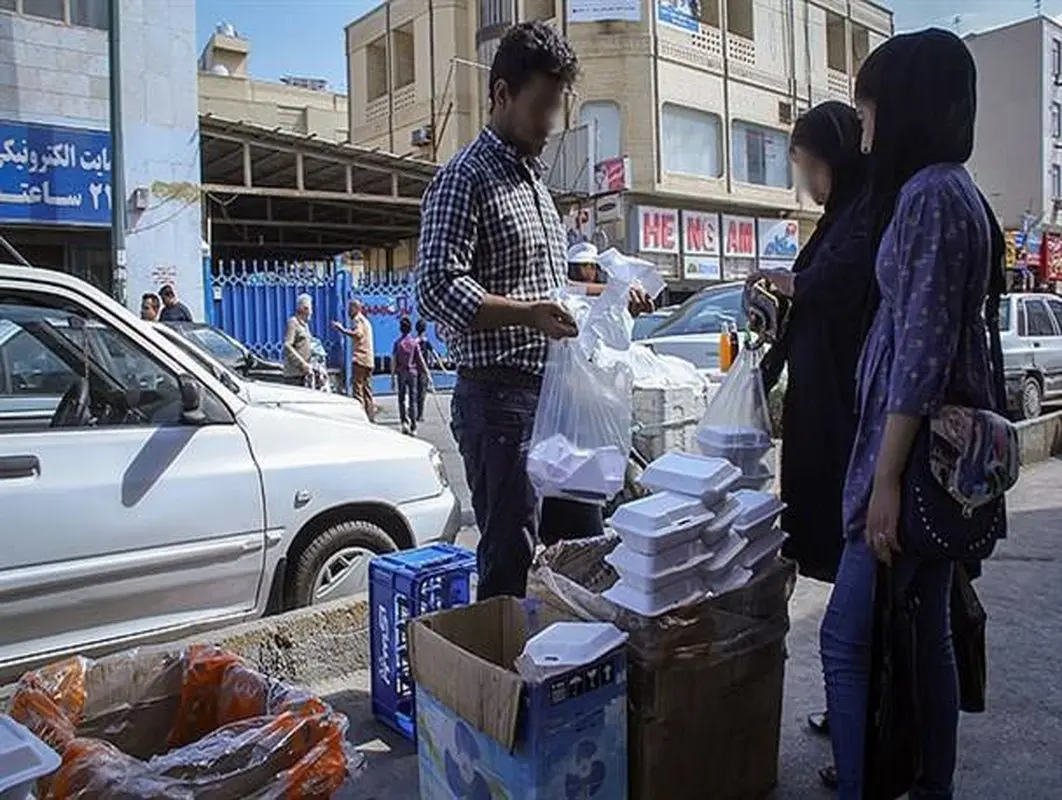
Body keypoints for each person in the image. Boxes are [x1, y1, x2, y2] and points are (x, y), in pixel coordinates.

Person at [819, 29, 1003, 799]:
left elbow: (921, 353)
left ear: (902, 110)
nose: (861, 132)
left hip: (911, 462)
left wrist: (885, 480)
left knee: (845, 640)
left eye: (866, 113)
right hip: (934, 462)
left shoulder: (929, 197)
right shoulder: (954, 191)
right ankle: (932, 788)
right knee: (925, 632)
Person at [747, 101, 875, 738]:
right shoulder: (838, 218)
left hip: (853, 423)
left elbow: (843, 282)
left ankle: (865, 727)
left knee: (854, 604)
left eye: (808, 166)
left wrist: (789, 284)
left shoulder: (870, 212)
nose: (805, 182)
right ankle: (853, 714)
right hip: (822, 414)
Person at [333, 299, 376, 422]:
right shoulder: (366, 321)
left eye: (350, 308)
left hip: (360, 359)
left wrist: (342, 329)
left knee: (358, 391)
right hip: (368, 360)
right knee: (368, 390)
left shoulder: (358, 320)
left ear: (356, 309)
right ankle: (371, 417)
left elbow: (358, 334)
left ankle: (361, 418)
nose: (348, 312)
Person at [392, 316, 429, 435]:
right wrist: (427, 372)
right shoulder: (414, 343)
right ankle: (413, 426)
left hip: (401, 373)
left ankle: (404, 422)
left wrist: (392, 377)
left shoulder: (397, 343)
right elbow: (420, 360)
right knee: (413, 399)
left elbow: (393, 360)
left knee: (402, 399)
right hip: (412, 373)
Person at [282, 293, 314, 387]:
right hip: (294, 374)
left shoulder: (305, 325)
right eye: (310, 309)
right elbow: (287, 345)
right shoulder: (293, 323)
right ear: (304, 309)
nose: (311, 312)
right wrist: (302, 363)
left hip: (304, 373)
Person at [414, 319, 436, 422]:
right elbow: (434, 353)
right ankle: (420, 414)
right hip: (424, 370)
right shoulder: (426, 341)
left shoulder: (415, 341)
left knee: (415, 392)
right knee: (422, 392)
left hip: (415, 369)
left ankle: (415, 413)